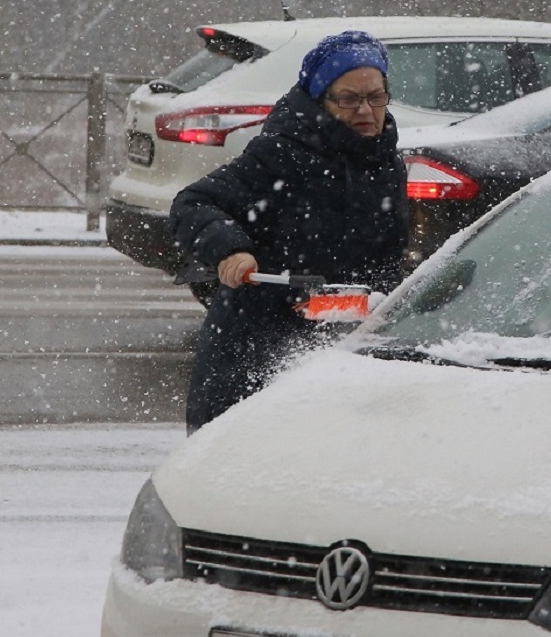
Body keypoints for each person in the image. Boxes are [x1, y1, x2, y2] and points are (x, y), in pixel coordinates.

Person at [170, 30, 409, 433]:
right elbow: (192, 204)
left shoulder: (387, 162)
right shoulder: (282, 152)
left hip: (345, 347)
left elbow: (386, 256)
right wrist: (231, 250)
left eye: (376, 96)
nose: (366, 110)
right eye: (349, 99)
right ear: (320, 100)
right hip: (257, 345)